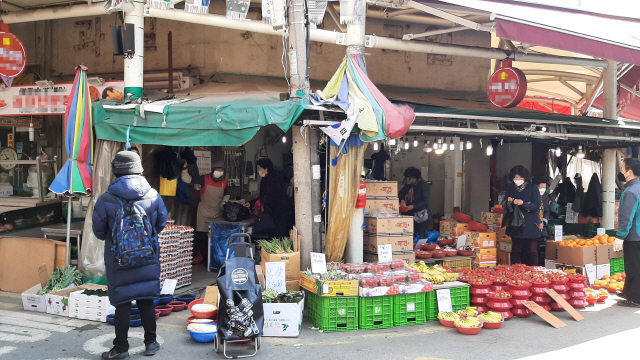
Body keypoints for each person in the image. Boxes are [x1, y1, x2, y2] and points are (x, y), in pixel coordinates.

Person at [93, 151, 168, 359]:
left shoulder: (106, 199)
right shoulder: (153, 195)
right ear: (139, 169)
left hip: (118, 260)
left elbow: (98, 231)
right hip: (147, 257)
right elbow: (160, 223)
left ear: (116, 171)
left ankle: (121, 348)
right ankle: (151, 343)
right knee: (146, 301)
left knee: (122, 304)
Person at [183, 160, 229, 261]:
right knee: (201, 236)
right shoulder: (204, 178)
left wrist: (224, 202)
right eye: (218, 169)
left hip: (217, 213)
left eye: (221, 170)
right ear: (213, 170)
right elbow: (187, 179)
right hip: (203, 212)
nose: (220, 171)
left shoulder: (224, 182)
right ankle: (203, 258)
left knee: (216, 237)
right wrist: (184, 169)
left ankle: (214, 259)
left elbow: (227, 194)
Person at [504, 165, 541, 266]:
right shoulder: (511, 188)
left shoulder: (532, 188)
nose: (517, 180)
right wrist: (508, 202)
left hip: (530, 223)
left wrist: (523, 203)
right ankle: (515, 271)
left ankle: (533, 271)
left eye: (520, 178)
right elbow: (504, 202)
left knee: (532, 251)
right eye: (515, 178)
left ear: (525, 178)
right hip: (515, 223)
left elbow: (536, 204)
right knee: (516, 250)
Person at [615, 158, 640, 307]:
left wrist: (620, 236)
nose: (621, 172)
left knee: (633, 266)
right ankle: (628, 292)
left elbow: (626, 215)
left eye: (623, 169)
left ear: (629, 172)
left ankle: (635, 298)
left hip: (634, 235)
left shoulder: (631, 191)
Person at [246, 158, 289, 238]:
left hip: (277, 212)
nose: (259, 171)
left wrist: (255, 202)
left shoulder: (272, 179)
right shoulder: (272, 177)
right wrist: (252, 202)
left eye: (260, 168)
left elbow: (268, 196)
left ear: (266, 169)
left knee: (277, 235)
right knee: (277, 234)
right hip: (278, 211)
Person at [398, 167, 431, 238]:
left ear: (415, 177)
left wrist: (413, 206)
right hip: (410, 213)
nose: (408, 180)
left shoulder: (424, 185)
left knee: (421, 235)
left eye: (409, 178)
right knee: (410, 234)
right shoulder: (410, 184)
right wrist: (402, 200)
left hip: (421, 214)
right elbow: (401, 193)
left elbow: (425, 201)